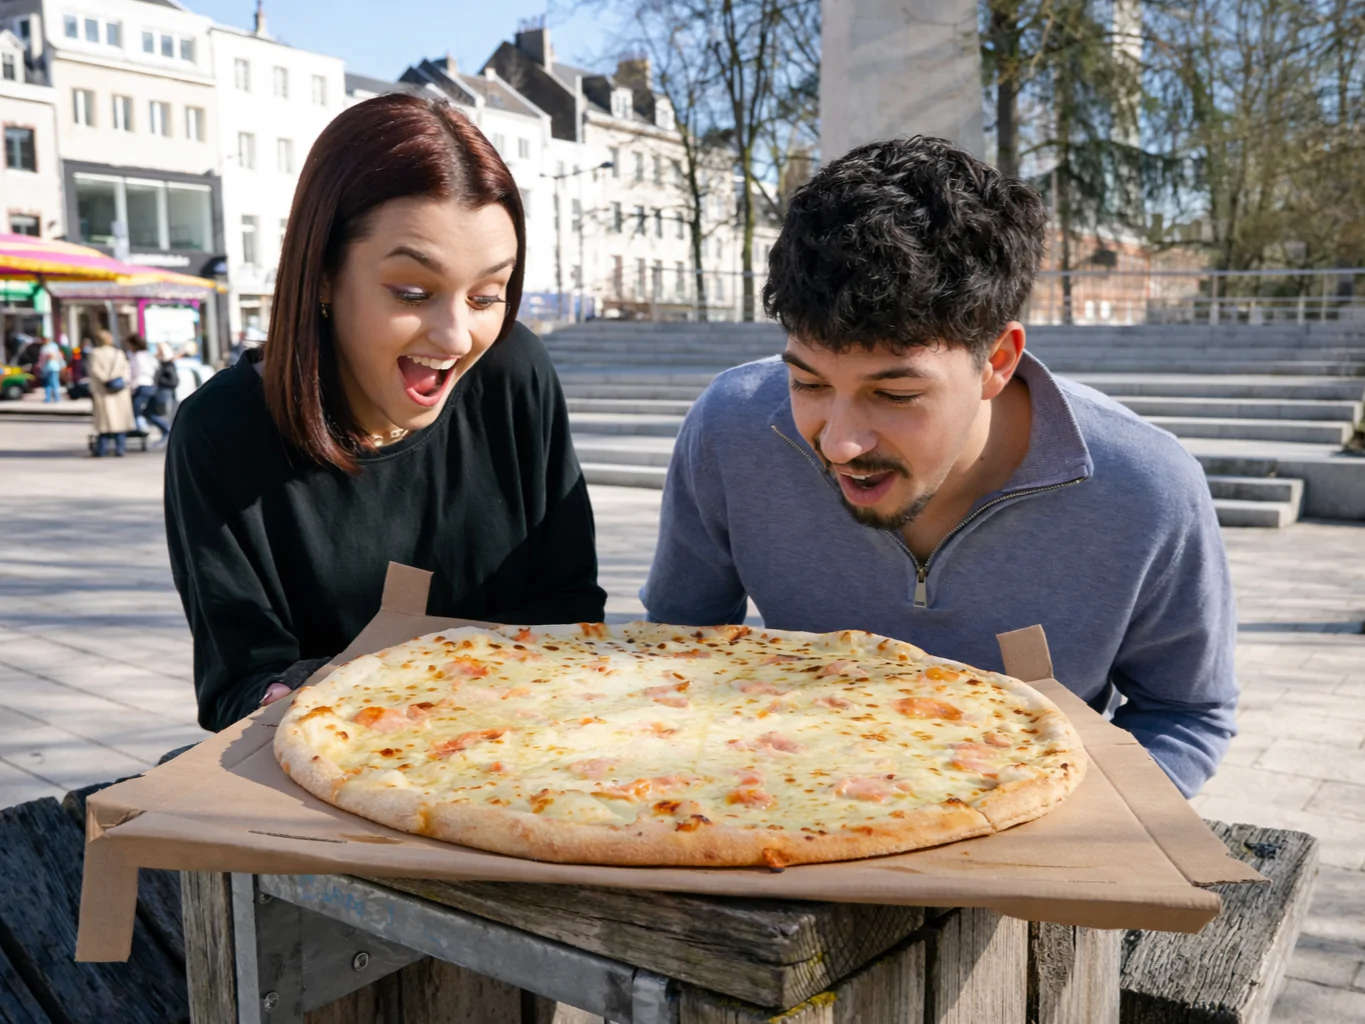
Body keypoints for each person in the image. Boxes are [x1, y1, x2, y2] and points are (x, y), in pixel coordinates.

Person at [641, 137, 1238, 798]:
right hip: (787, 808)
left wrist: (1057, 830)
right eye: (808, 384)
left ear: (997, 362)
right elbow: (679, 648)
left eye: (895, 395)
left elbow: (1185, 713)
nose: (839, 443)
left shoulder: (1147, 488)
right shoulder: (729, 428)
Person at [165, 94, 606, 732]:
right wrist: (289, 694)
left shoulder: (514, 372)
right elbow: (239, 679)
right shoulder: (221, 430)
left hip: (523, 747)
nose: (456, 337)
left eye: (487, 295)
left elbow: (572, 606)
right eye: (413, 292)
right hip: (337, 762)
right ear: (321, 273)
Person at [87, 329, 135, 456]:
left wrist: (106, 380)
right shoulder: (119, 353)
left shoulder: (95, 353)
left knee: (104, 422)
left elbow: (94, 370)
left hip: (103, 391)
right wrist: (118, 380)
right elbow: (126, 369)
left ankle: (102, 449)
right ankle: (120, 448)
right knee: (120, 422)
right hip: (119, 390)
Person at [128, 334, 170, 444]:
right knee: (147, 412)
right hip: (151, 385)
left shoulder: (137, 357)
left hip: (141, 385)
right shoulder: (148, 355)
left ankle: (143, 429)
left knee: (136, 410)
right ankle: (163, 428)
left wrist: (130, 386)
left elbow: (134, 373)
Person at [152, 342, 179, 435]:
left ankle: (167, 431)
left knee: (162, 414)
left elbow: (173, 381)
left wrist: (159, 380)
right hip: (162, 391)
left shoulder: (167, 365)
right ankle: (167, 431)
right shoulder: (163, 364)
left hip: (164, 391)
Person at [36, 336, 65, 403]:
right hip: (46, 368)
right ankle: (48, 398)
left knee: (53, 382)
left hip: (53, 367)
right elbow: (42, 358)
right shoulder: (44, 347)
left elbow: (54, 356)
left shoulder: (52, 346)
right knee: (47, 383)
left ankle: (56, 397)